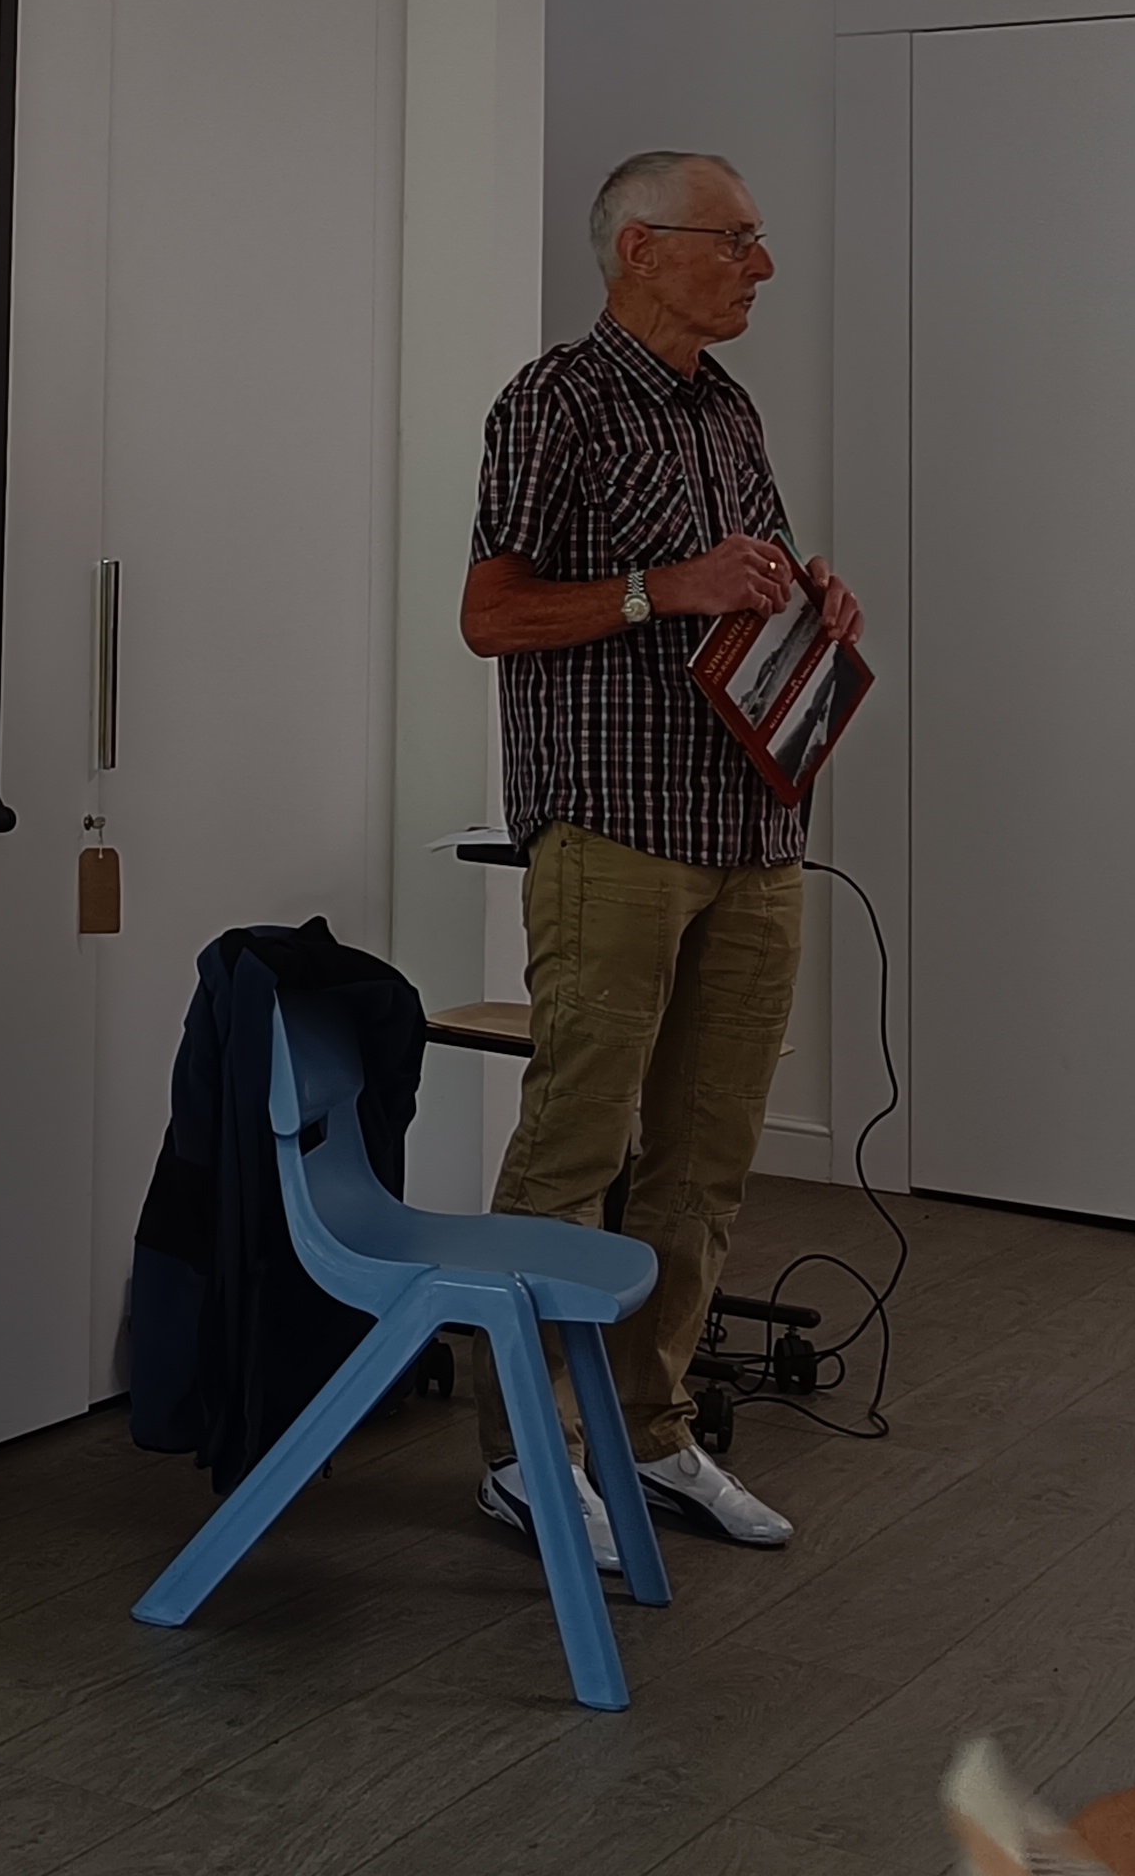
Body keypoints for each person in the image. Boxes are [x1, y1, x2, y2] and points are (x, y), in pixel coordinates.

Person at [459, 148, 861, 1563]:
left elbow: (742, 594)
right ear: (640, 248)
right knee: (577, 1145)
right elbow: (493, 615)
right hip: (616, 827)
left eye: (758, 239)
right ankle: (524, 1453)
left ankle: (653, 1430)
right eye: (734, 240)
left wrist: (807, 597)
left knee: (705, 1160)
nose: (760, 265)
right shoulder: (554, 401)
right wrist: (658, 590)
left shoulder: (729, 410)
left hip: (753, 827)